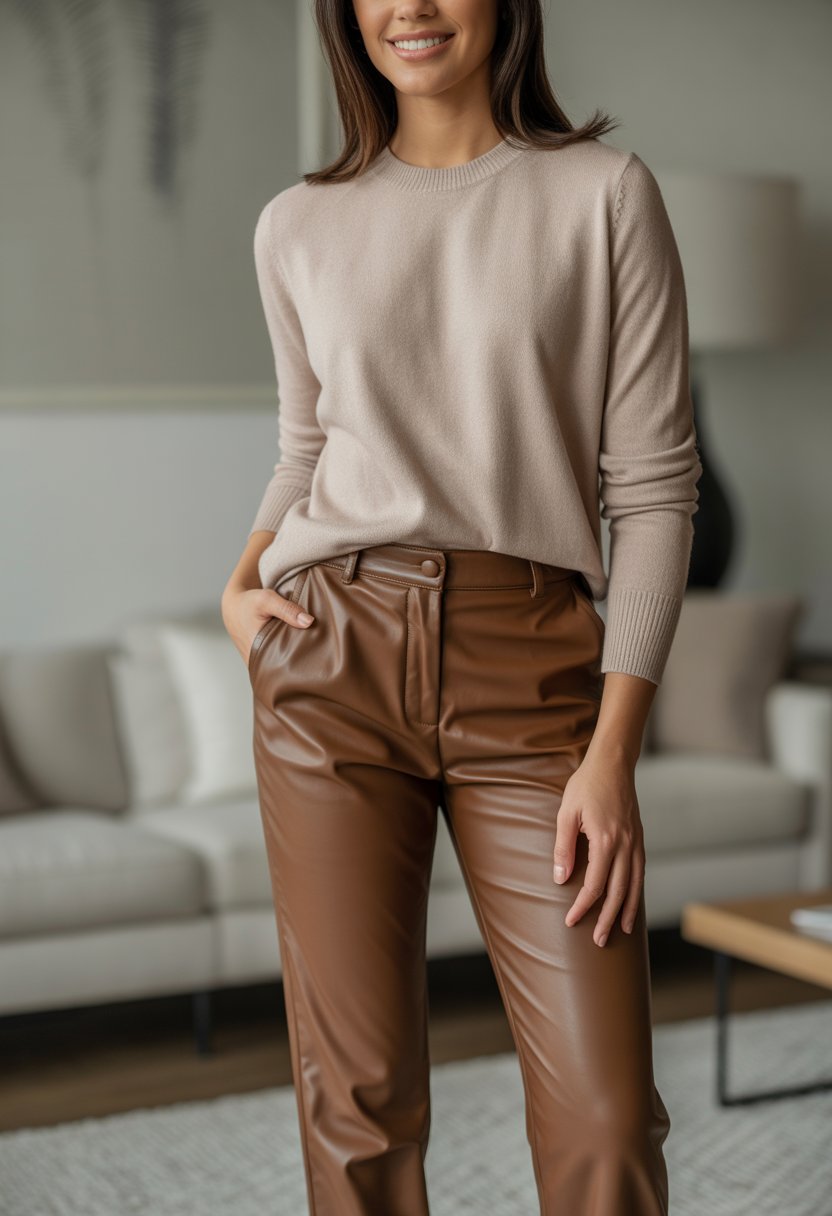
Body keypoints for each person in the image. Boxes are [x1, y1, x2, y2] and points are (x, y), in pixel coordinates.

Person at [221, 1, 702, 1212]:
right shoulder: (297, 224)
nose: (411, 8)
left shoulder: (603, 194)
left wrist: (612, 753)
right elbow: (307, 446)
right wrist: (241, 581)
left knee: (603, 1108)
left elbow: (651, 492)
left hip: (531, 663)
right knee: (357, 1101)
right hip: (330, 660)